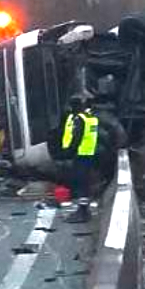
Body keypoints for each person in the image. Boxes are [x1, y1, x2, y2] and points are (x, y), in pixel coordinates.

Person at [61, 95, 99, 224]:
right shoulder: (90, 118)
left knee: (81, 184)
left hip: (80, 154)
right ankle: (84, 210)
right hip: (88, 153)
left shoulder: (79, 119)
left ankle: (82, 212)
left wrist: (68, 152)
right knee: (85, 183)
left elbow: (77, 138)